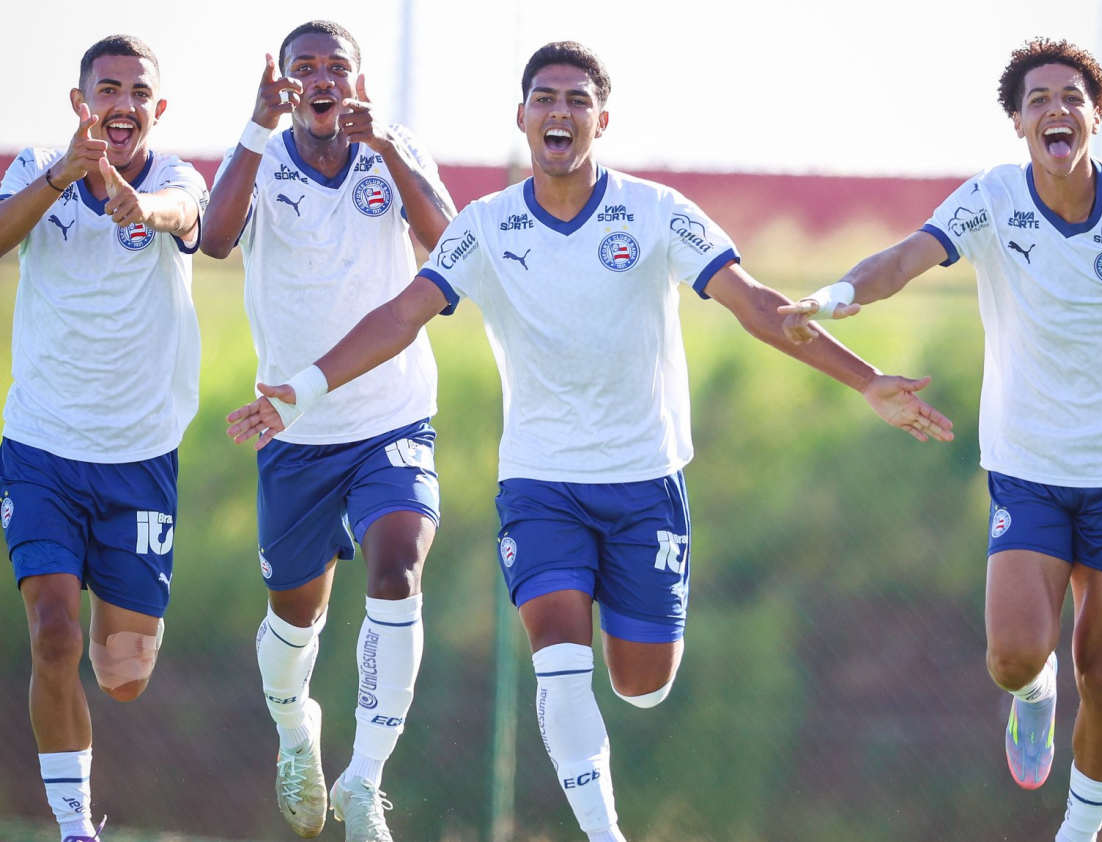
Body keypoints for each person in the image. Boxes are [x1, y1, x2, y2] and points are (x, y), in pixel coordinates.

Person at [227, 41, 953, 841]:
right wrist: (305, 388)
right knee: (558, 659)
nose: (559, 112)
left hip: (645, 482)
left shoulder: (655, 211)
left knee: (642, 683)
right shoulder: (487, 227)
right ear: (523, 118)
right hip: (540, 485)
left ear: (601, 119)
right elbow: (401, 316)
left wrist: (867, 379)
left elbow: (752, 303)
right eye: (544, 98)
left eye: (576, 100)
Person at [784, 38, 1102, 842]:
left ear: (1095, 116)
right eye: (1038, 98)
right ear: (1018, 121)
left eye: (1071, 97)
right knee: (1015, 658)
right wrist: (836, 295)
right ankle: (1034, 701)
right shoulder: (992, 200)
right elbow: (906, 257)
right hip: (1029, 465)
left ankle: (1077, 833)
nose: (1056, 109)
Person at [200, 19, 455, 842]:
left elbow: (449, 242)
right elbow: (212, 237)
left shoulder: (394, 147)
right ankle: (296, 735)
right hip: (296, 428)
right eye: (303, 67)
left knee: (397, 570)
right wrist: (253, 123)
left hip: (392, 416)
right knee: (294, 620)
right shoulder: (264, 154)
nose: (320, 79)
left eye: (334, 66)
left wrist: (391, 144)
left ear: (357, 78)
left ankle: (364, 782)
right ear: (286, 81)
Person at [0, 34, 207, 842]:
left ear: (158, 108)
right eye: (107, 89)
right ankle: (74, 827)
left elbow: (184, 215)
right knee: (54, 634)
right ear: (82, 102)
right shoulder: (37, 170)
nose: (123, 104)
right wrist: (63, 176)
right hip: (41, 449)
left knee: (122, 676)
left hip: (139, 458)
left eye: (138, 92)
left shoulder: (176, 176)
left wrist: (137, 205)